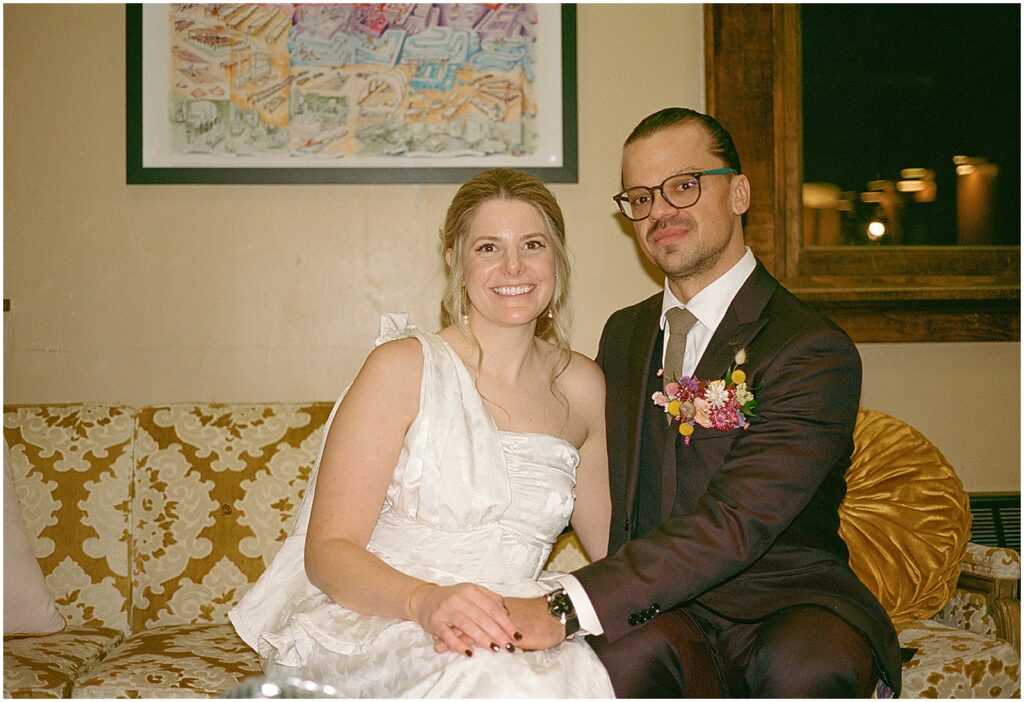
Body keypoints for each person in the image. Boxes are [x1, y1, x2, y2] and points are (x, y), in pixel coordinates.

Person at [502, 108, 904, 698]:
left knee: (805, 669)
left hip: (784, 604)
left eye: (683, 186)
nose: (660, 210)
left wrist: (564, 605)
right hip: (659, 608)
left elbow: (737, 522)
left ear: (738, 192)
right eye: (640, 197)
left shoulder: (811, 348)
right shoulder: (624, 335)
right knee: (615, 660)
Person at [228, 168, 615, 698]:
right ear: (455, 261)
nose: (513, 267)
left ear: (557, 258)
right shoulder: (403, 367)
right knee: (487, 678)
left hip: (515, 619)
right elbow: (329, 551)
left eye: (532, 244)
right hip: (387, 617)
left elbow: (619, 549)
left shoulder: (584, 386)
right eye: (488, 247)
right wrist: (426, 602)